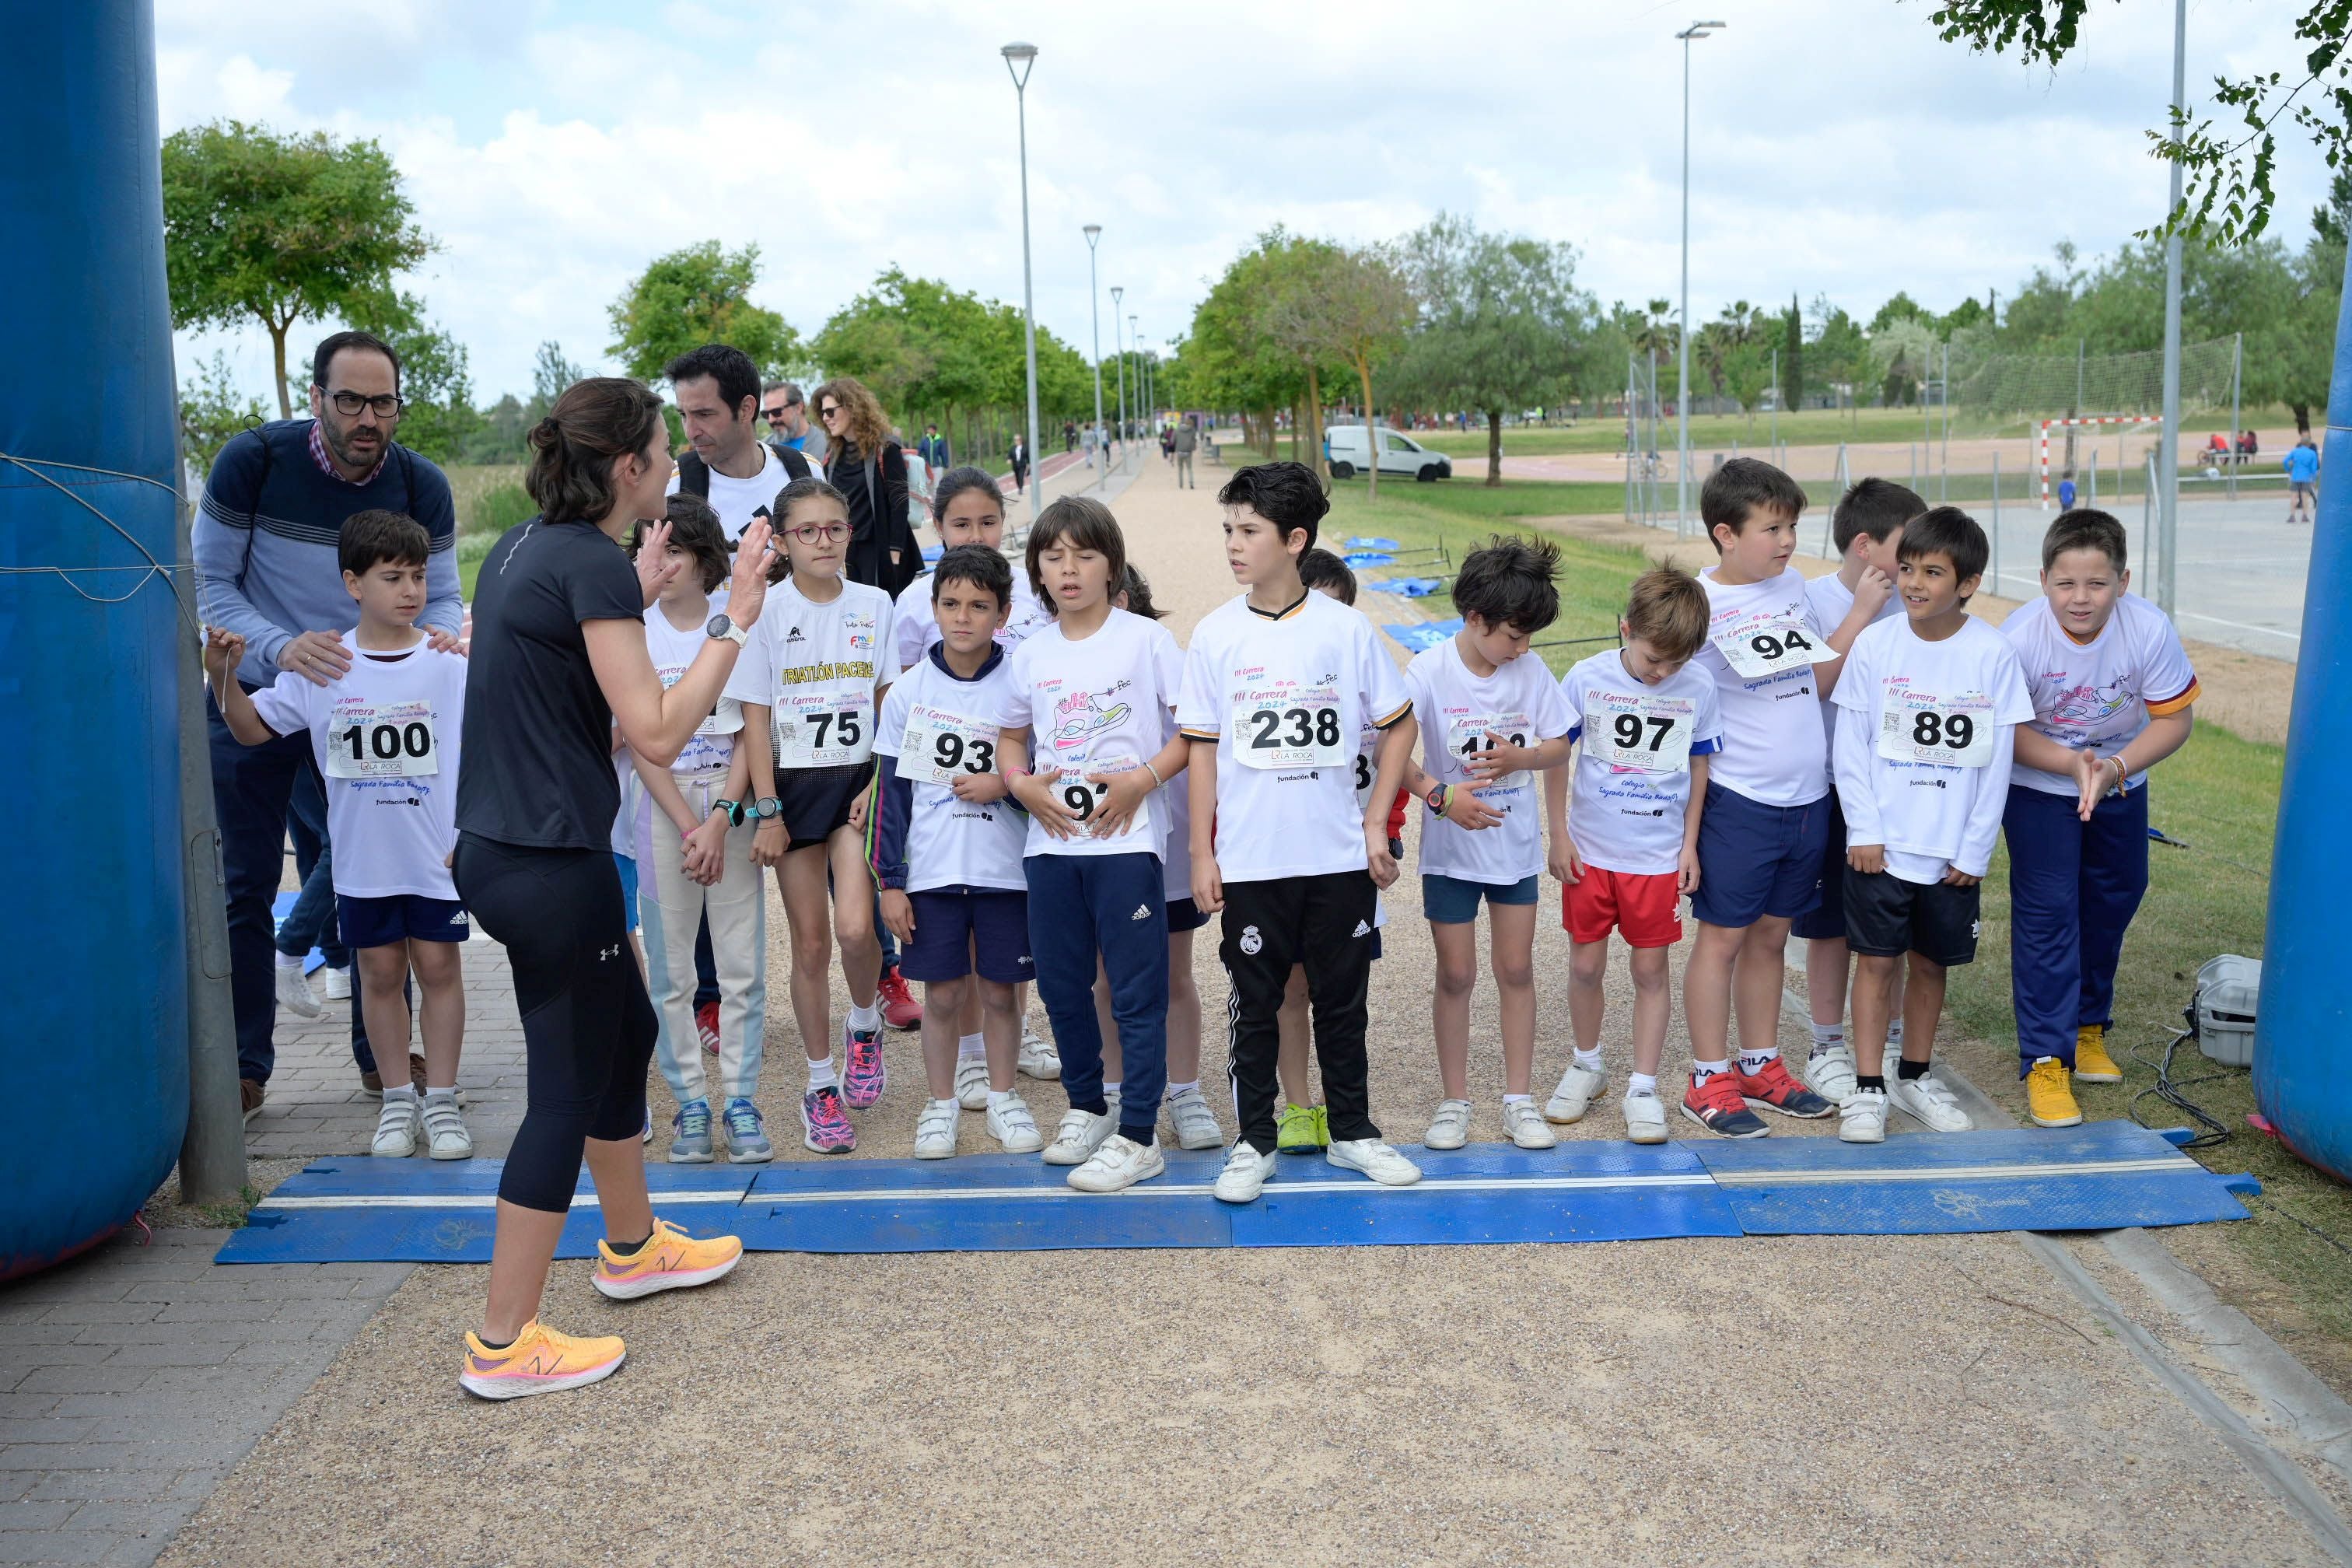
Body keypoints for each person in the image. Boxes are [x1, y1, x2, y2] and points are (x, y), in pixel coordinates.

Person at [451, 377, 763, 1398]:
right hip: (549, 864)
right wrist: (734, 618)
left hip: (512, 849)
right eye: (664, 450)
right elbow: (660, 730)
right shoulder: (587, 561)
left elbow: (580, 645)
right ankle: (504, 1344)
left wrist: (639, 579)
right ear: (627, 468)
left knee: (625, 1031)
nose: (676, 461)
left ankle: (631, 1248)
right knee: (568, 1087)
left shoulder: (526, 545)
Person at [194, 329, 460, 1116]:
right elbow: (209, 580)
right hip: (268, 685)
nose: (366, 417)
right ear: (316, 399)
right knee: (244, 883)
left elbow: (441, 594)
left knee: (376, 864)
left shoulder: (420, 483)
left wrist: (442, 639)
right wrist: (284, 651)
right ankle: (245, 1066)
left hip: (370, 695)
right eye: (349, 400)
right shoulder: (254, 461)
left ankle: (382, 1064)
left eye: (382, 402)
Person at [1181, 464, 1423, 1202]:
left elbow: (1399, 722)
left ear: (1295, 540)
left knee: (1343, 1004)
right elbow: (1202, 746)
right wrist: (1201, 850)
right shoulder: (1215, 635)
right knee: (1255, 1006)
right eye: (1229, 529)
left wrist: (1376, 820)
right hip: (1253, 861)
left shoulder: (1346, 629)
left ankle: (1353, 1131)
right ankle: (1255, 1140)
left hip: (1337, 858)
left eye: (1248, 531)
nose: (1233, 543)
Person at [205, 509, 474, 1160]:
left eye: (418, 575)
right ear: (353, 584)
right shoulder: (323, 664)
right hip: (362, 859)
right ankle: (395, 1103)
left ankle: (441, 1102)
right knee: (378, 971)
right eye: (392, 577)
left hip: (436, 854)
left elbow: (488, 747)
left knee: (438, 966)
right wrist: (221, 674)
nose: (410, 590)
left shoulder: (449, 663)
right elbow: (248, 729)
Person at [996, 495, 1190, 1192]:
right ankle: (1088, 1107)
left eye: (1084, 555)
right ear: (1038, 571)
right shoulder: (1030, 652)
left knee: (1137, 993)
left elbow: (1192, 732)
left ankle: (1141, 1134)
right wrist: (1020, 785)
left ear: (1111, 565)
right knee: (1061, 986)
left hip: (1127, 844)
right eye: (1054, 557)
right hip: (1052, 849)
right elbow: (1011, 734)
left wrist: (1141, 781)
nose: (1068, 569)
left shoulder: (1146, 641)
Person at [1683, 458, 1878, 1137]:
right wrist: (1858, 615)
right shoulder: (1701, 607)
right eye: (1772, 527)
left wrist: (1855, 611)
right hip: (1741, 798)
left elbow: (1818, 683)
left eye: (1792, 525)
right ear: (1725, 534)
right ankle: (1707, 1077)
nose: (1788, 539)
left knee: (1771, 938)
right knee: (1723, 941)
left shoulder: (1790, 585)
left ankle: (1760, 1062)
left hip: (1807, 797)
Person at [1829, 506, 2032, 1143]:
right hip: (1881, 848)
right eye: (1909, 568)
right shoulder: (1876, 644)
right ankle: (1866, 1089)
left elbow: (1997, 764)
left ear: (1968, 583)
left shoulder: (1992, 653)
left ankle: (1913, 1074)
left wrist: (1975, 849)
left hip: (1950, 853)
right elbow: (1850, 745)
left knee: (1930, 966)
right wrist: (1862, 827)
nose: (1915, 583)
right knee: (1875, 965)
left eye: (1934, 572)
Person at [2000, 509, 2199, 1128]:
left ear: (2123, 580)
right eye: (2066, 584)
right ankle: (2046, 1060)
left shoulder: (2149, 628)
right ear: (2042, 580)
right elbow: (2005, 734)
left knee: (2114, 897)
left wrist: (2112, 769)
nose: (2080, 599)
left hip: (2116, 781)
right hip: (2038, 785)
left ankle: (2088, 1026)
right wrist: (2069, 764)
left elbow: (2174, 719)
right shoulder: (2018, 638)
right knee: (2049, 911)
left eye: (2096, 583)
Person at [728, 478, 901, 1154]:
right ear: (783, 541)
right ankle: (820, 1084)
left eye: (835, 528)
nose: (823, 540)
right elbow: (755, 716)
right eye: (808, 531)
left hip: (855, 786)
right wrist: (767, 810)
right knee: (810, 943)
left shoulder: (875, 604)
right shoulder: (766, 611)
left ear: (849, 533)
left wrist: (881, 782)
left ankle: (865, 1025)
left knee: (858, 931)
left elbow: (889, 697)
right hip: (793, 790)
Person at [1402, 537, 1575, 1151]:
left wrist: (1519, 758)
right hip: (1450, 853)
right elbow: (1392, 755)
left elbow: (1558, 744)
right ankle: (1454, 1101)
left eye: (1529, 639)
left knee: (1517, 968)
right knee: (1455, 974)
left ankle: (1518, 1100)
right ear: (1474, 619)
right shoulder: (1428, 671)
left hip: (1513, 850)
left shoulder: (1529, 671)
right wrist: (1442, 797)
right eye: (1513, 636)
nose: (1522, 649)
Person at [1540, 566, 1720, 1144]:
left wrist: (1689, 845)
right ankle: (1587, 1064)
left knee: (1649, 970)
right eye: (1652, 660)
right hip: (1592, 852)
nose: (1663, 673)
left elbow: (1699, 766)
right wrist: (1559, 834)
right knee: (1586, 966)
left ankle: (1642, 1085)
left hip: (1657, 858)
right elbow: (1556, 758)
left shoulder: (1699, 688)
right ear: (1625, 630)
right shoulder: (1587, 678)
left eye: (1676, 663)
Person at [874, 545, 1043, 1158]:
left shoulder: (1022, 684)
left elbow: (1047, 772)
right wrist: (889, 880)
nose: (963, 617)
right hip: (933, 871)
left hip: (1006, 869)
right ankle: (940, 1104)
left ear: (1002, 614)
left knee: (1001, 991)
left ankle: (1003, 1097)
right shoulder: (908, 693)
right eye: (951, 604)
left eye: (978, 606)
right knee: (942, 995)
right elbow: (890, 794)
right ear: (934, 608)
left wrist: (1007, 784)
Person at [892, 467, 1058, 1085]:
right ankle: (965, 1057)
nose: (976, 533)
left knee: (1002, 953)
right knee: (951, 953)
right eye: (961, 523)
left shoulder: (1031, 601)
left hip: (1009, 800)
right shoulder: (912, 603)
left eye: (988, 521)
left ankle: (1012, 1040)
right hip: (939, 800)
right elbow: (908, 704)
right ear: (937, 526)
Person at [623, 495, 771, 1164]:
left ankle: (740, 1100)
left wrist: (720, 820)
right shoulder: (633, 630)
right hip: (662, 811)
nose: (661, 562)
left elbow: (750, 732)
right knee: (672, 973)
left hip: (729, 811)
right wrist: (688, 825)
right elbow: (637, 739)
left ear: (706, 556)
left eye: (675, 549)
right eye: (649, 548)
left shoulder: (738, 624)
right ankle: (690, 1104)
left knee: (741, 967)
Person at [1269, 548, 1406, 1151]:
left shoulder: (1369, 693)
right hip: (1286, 856)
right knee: (1290, 987)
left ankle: (1345, 1110)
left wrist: (1434, 798)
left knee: (1342, 990)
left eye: (1333, 606)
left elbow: (1403, 760)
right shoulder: (1266, 686)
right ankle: (1298, 1106)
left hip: (1352, 862)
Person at [1794, 478, 1922, 1104]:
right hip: (1826, 788)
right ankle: (1826, 1044)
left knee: (1888, 927)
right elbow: (1814, 687)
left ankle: (1892, 1041)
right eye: (1907, 550)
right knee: (1829, 928)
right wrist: (1863, 613)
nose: (1917, 566)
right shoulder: (1810, 600)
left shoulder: (1916, 604)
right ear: (1866, 547)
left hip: (1893, 791)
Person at [1090, 566, 1220, 1153]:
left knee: (1174, 975)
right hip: (1098, 845)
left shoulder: (1175, 663)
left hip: (1164, 849)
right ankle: (1114, 1093)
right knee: (1105, 977)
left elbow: (1202, 743)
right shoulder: (1073, 664)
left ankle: (1186, 1091)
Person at [670, 347, 813, 546]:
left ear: (746, 409)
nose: (690, 432)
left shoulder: (804, 470)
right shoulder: (672, 487)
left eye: (704, 414)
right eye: (683, 415)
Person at [811, 378, 918, 595]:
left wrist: (895, 550)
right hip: (846, 549)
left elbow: (899, 503)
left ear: (852, 407)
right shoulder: (833, 455)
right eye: (823, 413)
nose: (825, 418)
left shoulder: (885, 449)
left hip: (879, 548)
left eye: (830, 412)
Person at [763, 380, 827, 465]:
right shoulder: (764, 447)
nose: (771, 420)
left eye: (776, 412)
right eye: (766, 414)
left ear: (798, 408)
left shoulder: (826, 444)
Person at [2285, 436, 2320, 523]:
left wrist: (2288, 470)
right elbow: (2314, 468)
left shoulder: (2295, 451)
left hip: (2295, 477)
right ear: (2309, 444)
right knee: (2305, 498)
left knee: (2294, 497)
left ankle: (2292, 516)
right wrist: (2314, 479)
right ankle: (2304, 516)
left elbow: (2285, 461)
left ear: (2300, 443)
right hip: (2306, 478)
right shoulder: (2312, 453)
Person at [1174, 418, 1198, 489]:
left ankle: (1181, 485)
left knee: (1180, 469)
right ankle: (1191, 483)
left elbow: (1174, 439)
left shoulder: (1178, 429)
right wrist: (1193, 448)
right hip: (1188, 451)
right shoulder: (1192, 430)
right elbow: (1194, 440)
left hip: (1180, 451)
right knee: (1189, 468)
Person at [1008, 433, 1031, 499]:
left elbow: (1028, 456)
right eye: (1015, 440)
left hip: (1022, 465)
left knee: (1021, 476)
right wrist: (1009, 459)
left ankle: (1020, 489)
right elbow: (1009, 455)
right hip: (1015, 465)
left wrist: (1029, 464)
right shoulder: (1012, 448)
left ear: (1021, 440)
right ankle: (1019, 486)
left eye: (1018, 439)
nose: (1017, 441)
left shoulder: (1025, 447)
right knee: (1017, 477)